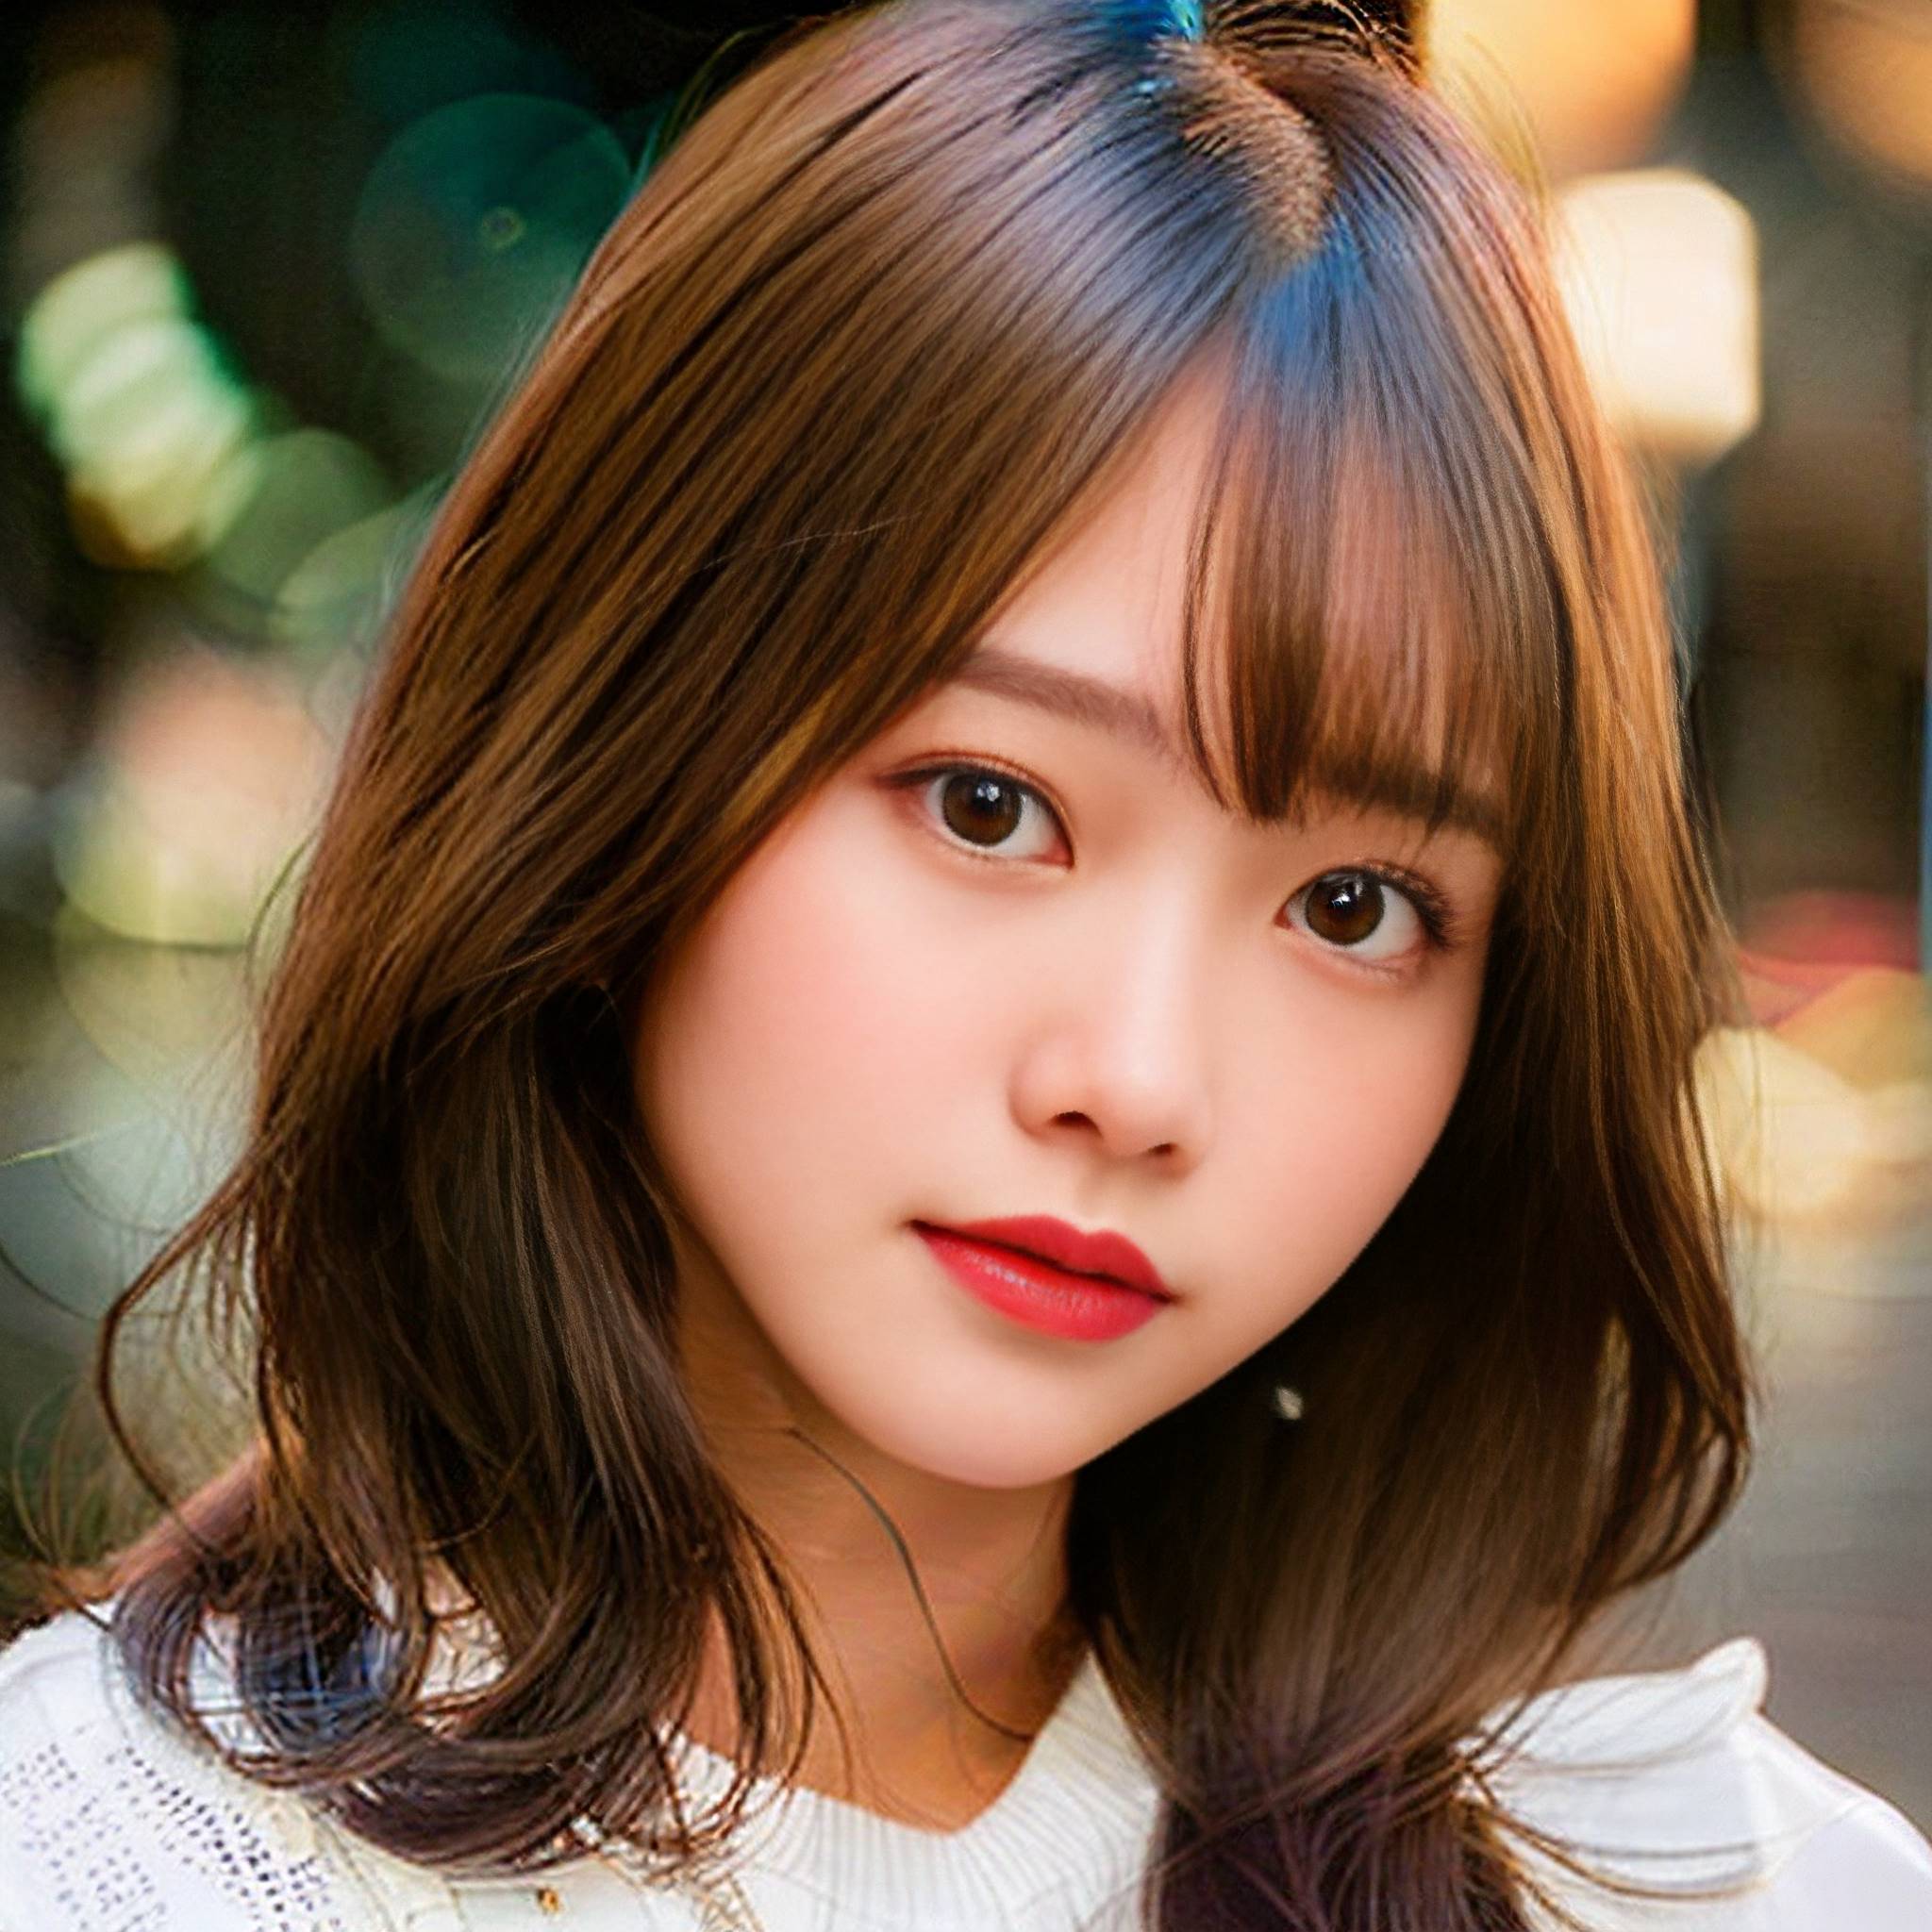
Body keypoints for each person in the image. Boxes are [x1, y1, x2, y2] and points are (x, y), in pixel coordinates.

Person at [2, 1, 1928, 1926]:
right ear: (616, 754)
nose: (1139, 1078)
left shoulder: (1704, 1891)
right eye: (990, 805)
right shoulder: (118, 1863)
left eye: (1354, 908)